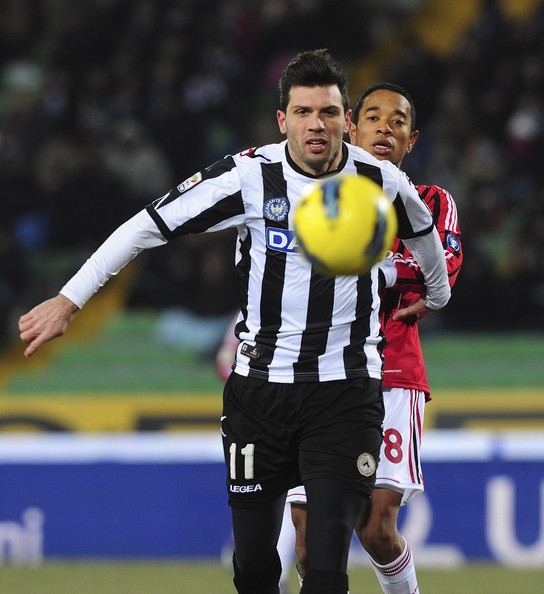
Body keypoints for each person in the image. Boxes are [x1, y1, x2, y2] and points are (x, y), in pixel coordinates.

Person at [19, 51, 451, 594]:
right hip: (260, 397)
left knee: (324, 566)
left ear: (346, 119)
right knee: (253, 568)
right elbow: (146, 225)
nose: (316, 125)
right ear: (282, 120)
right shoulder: (248, 176)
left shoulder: (379, 180)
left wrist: (437, 294)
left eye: (328, 112)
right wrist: (69, 300)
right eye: (303, 112)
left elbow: (425, 238)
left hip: (345, 394)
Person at [288, 83, 463, 593]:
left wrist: (365, 266)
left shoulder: (432, 202)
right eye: (373, 117)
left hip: (393, 372)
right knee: (308, 539)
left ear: (412, 139)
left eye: (398, 121)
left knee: (376, 529)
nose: (385, 127)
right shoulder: (316, 200)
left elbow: (442, 268)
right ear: (350, 127)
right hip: (318, 370)